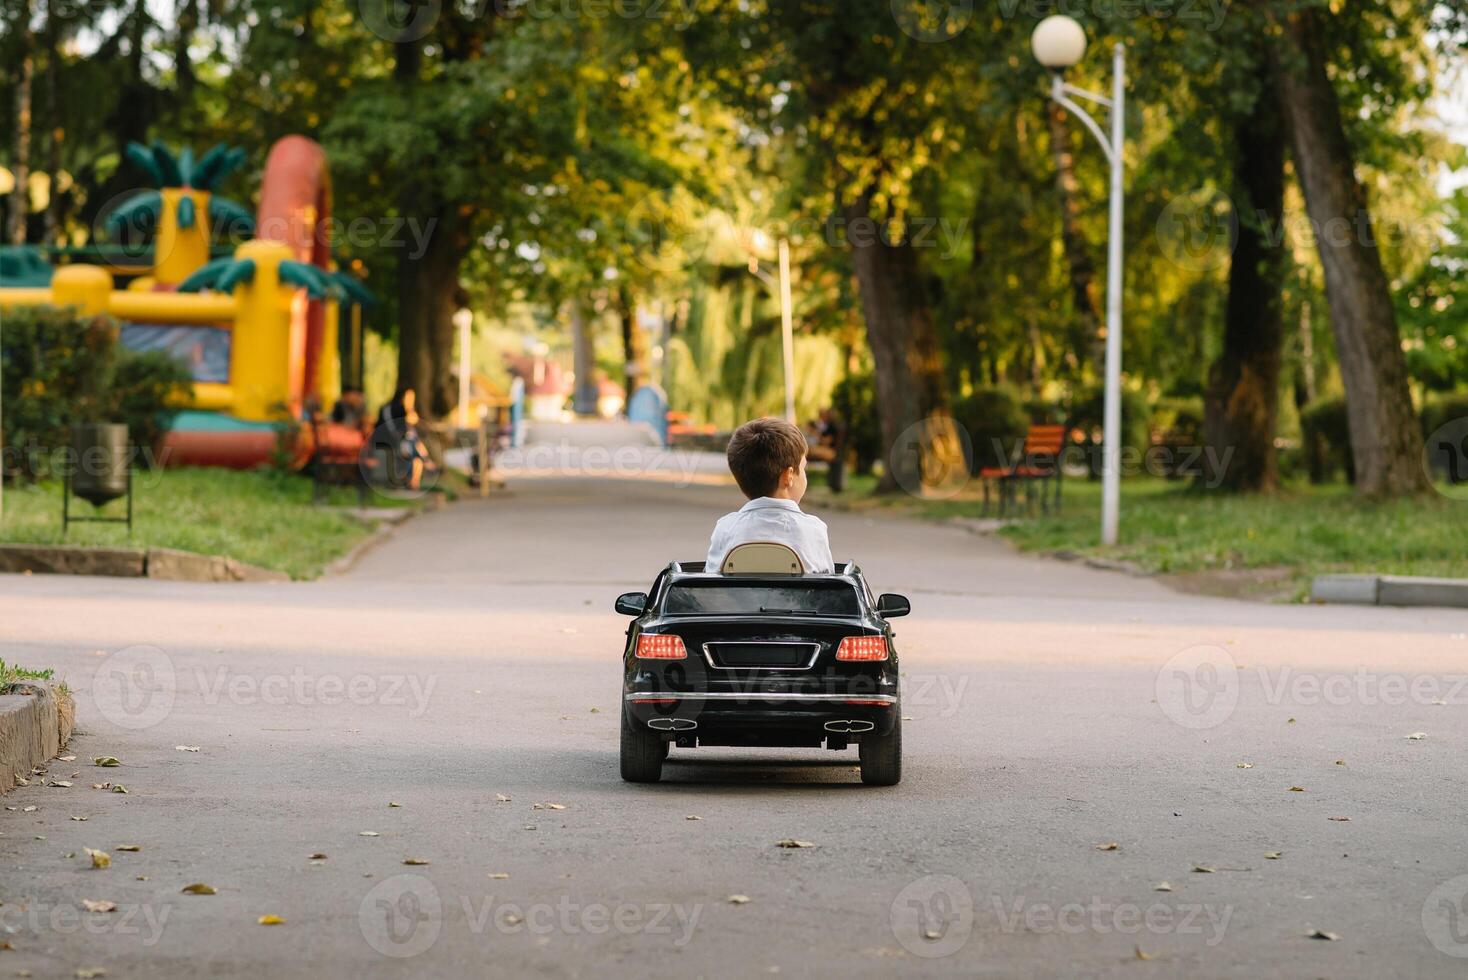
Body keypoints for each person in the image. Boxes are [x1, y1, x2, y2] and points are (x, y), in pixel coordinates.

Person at [706, 417, 834, 574]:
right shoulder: (813, 530)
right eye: (803, 469)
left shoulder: (725, 528)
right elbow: (829, 590)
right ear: (788, 476)